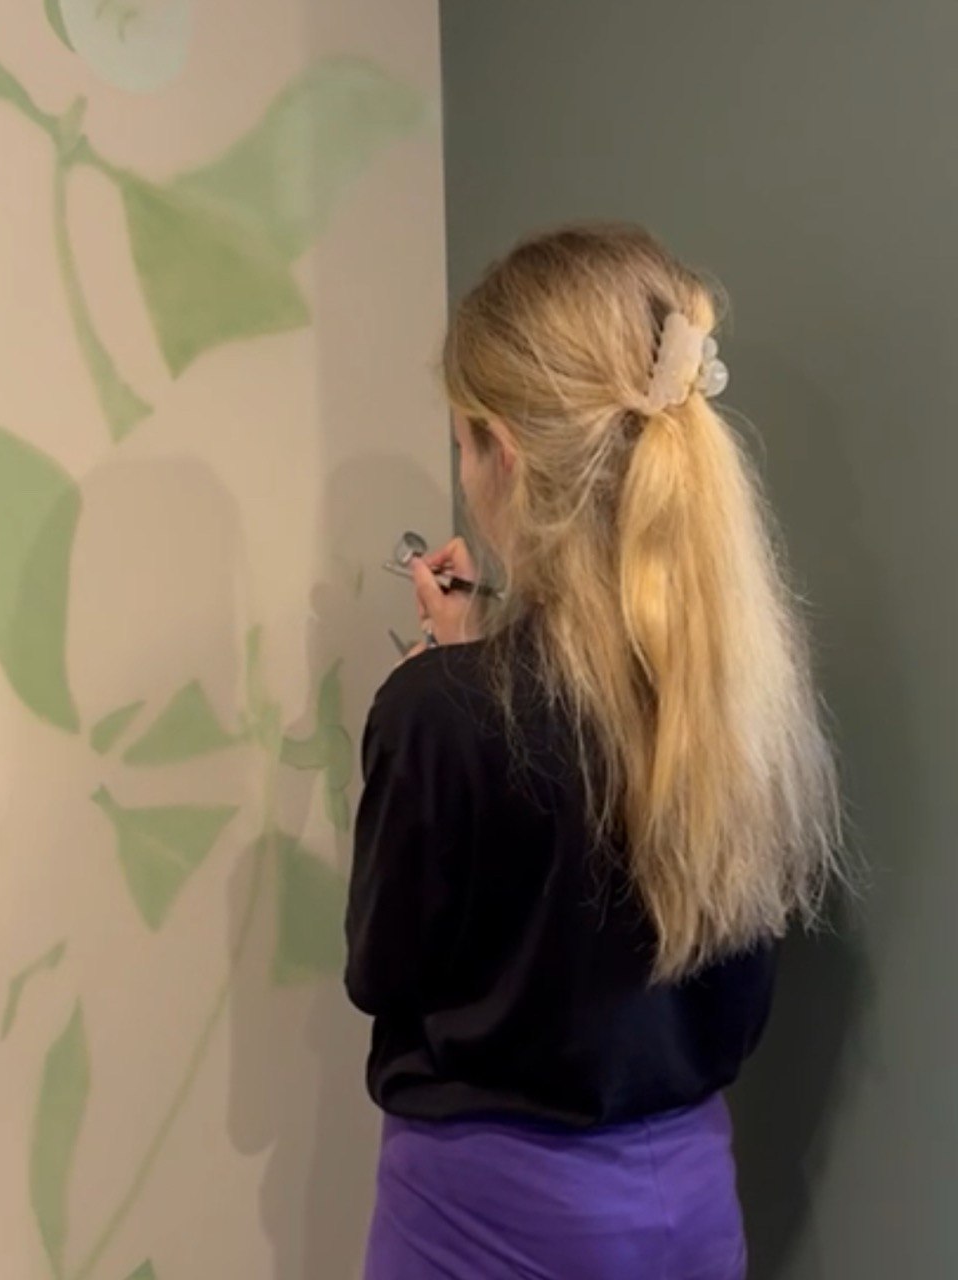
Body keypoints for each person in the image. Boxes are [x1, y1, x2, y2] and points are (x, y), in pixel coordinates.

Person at [344, 224, 841, 1279]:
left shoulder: (434, 713)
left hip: (486, 1217)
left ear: (503, 450)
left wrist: (448, 683)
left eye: (463, 442)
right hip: (689, 1202)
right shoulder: (737, 694)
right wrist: (469, 665)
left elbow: (385, 969)